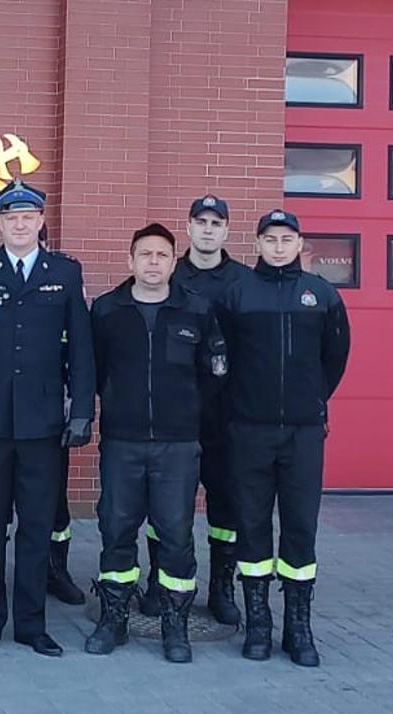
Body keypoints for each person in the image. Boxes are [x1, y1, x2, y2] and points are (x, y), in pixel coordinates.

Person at [0, 179, 95, 658]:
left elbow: (81, 347)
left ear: (40, 222)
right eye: (10, 217)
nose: (19, 224)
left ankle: (32, 625)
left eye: (27, 217)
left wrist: (82, 410)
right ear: (0, 223)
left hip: (44, 426)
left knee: (36, 528)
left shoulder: (65, 272)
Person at [85, 223, 227, 663]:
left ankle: (175, 626)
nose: (152, 262)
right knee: (116, 531)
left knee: (176, 537)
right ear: (130, 261)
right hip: (122, 442)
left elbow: (214, 378)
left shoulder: (197, 311)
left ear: (173, 263)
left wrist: (186, 416)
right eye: (144, 254)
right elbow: (95, 370)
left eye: (162, 255)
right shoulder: (107, 311)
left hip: (178, 446)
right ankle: (114, 619)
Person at [217, 208, 350, 667]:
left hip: (302, 432)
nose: (278, 246)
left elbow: (334, 359)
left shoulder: (322, 294)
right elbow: (222, 362)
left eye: (286, 239)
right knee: (252, 525)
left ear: (299, 244)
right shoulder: (236, 294)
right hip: (248, 430)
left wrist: (308, 399)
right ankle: (258, 625)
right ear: (257, 244)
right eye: (269, 239)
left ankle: (298, 627)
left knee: (299, 527)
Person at [138, 194, 247, 625]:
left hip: (225, 417)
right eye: (200, 221)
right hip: (173, 416)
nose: (207, 229)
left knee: (226, 507)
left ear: (226, 230)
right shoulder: (169, 272)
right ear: (188, 227)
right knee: (164, 508)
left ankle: (222, 586)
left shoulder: (243, 281)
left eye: (215, 222)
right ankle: (160, 580)